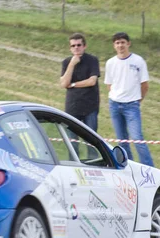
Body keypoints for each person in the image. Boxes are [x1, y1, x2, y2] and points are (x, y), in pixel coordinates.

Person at [104, 32, 153, 166]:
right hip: (115, 105)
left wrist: (137, 100)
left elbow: (145, 85)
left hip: (131, 106)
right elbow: (109, 84)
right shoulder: (110, 63)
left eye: (123, 42)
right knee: (122, 140)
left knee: (137, 139)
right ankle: (129, 166)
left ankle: (149, 168)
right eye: (117, 43)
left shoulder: (138, 61)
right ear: (114, 45)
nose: (120, 46)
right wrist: (116, 96)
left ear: (128, 44)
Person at [60, 33, 100, 132]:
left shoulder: (92, 60)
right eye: (73, 46)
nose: (76, 48)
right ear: (70, 48)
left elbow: (92, 81)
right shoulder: (66, 62)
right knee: (72, 141)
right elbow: (64, 84)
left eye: (79, 45)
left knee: (92, 140)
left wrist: (73, 84)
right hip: (72, 106)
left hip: (90, 106)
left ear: (84, 46)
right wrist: (72, 64)